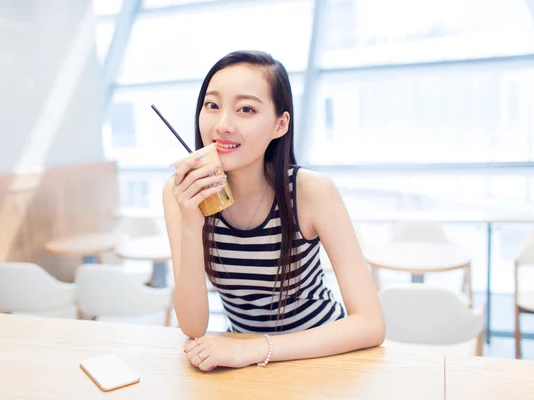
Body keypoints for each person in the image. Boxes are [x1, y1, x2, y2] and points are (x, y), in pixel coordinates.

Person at [162, 50, 384, 372]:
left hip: (323, 356)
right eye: (212, 105)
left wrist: (255, 348)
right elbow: (193, 326)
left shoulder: (311, 191)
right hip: (243, 363)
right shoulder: (179, 193)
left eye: (246, 109)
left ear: (280, 124)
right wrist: (190, 224)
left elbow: (370, 324)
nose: (223, 124)